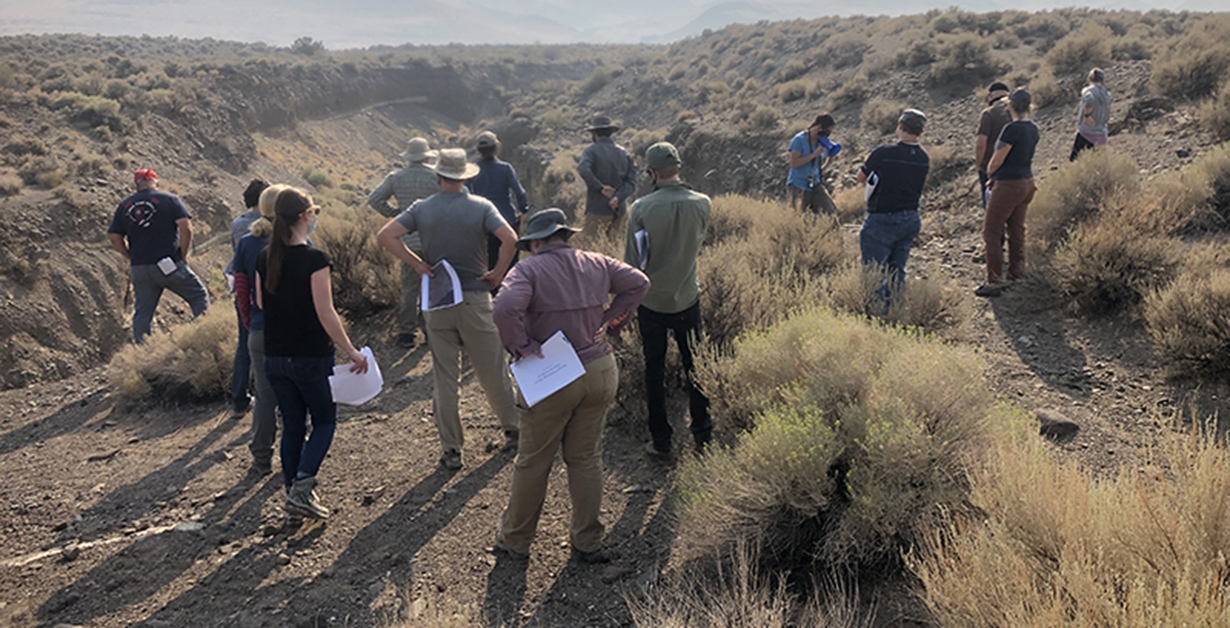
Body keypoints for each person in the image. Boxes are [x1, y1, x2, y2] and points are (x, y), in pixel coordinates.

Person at [493, 209, 649, 563]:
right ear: (566, 235)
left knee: (533, 460)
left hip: (552, 373)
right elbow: (639, 282)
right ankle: (588, 542)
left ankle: (515, 541)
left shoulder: (528, 269)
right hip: (598, 368)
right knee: (586, 457)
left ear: (535, 242)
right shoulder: (596, 262)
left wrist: (521, 346)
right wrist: (611, 320)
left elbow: (504, 308)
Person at [376, 148, 521, 470]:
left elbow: (386, 235)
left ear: (439, 176)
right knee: (492, 370)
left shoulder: (421, 209)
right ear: (465, 176)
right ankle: (513, 431)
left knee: (445, 376)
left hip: (438, 300)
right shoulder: (481, 206)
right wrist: (497, 273)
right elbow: (510, 238)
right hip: (475, 298)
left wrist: (418, 264)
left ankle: (452, 450)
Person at [256, 187, 368, 519]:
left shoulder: (265, 257)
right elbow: (326, 312)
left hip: (274, 357)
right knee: (324, 421)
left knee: (292, 425)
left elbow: (261, 304)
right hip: (309, 356)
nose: (315, 217)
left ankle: (294, 495)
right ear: (306, 216)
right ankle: (303, 488)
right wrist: (350, 350)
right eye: (313, 212)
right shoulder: (314, 259)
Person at [624, 142, 712, 460]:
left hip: (652, 302)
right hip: (688, 297)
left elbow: (632, 262)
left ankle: (661, 441)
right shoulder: (703, 203)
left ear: (652, 173)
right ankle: (703, 432)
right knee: (696, 367)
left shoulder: (642, 209)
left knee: (654, 370)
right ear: (677, 167)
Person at [107, 168, 210, 344]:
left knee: (143, 314)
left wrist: (131, 256)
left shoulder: (124, 205)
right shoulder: (170, 199)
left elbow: (114, 237)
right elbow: (186, 227)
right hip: (168, 263)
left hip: (139, 268)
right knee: (198, 296)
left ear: (136, 184)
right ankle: (205, 341)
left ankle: (144, 355)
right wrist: (183, 255)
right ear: (156, 181)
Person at [232, 183, 288, 476]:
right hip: (290, 331)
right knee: (295, 393)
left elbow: (241, 287)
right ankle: (296, 453)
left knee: (265, 396)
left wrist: (247, 320)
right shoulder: (296, 239)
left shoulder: (246, 242)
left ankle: (261, 459)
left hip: (258, 329)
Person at [368, 137, 439, 349]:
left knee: (409, 289)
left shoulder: (396, 177)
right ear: (426, 156)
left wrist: (395, 215)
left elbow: (374, 199)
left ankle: (406, 334)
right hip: (433, 239)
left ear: (408, 156)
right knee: (433, 287)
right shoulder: (436, 176)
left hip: (406, 240)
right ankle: (431, 331)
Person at [856, 109, 930, 304]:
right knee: (897, 269)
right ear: (920, 133)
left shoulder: (883, 152)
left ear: (899, 125)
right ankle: (896, 309)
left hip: (882, 218)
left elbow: (861, 177)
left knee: (874, 272)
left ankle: (879, 315)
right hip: (910, 217)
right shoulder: (924, 158)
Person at [977, 89, 1039, 298]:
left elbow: (997, 159)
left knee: (992, 232)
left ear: (1009, 105)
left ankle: (994, 280)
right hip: (1027, 182)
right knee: (1017, 230)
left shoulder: (1010, 129)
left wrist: (989, 173)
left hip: (1008, 184)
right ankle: (1017, 274)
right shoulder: (1033, 128)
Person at [227, 179, 270, 415]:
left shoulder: (237, 224)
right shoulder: (275, 226)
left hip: (244, 290)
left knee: (244, 344)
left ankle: (239, 400)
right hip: (268, 291)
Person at [469, 130, 529, 291]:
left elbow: (467, 194)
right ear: (496, 147)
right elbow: (519, 192)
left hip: (483, 222)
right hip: (507, 220)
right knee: (510, 263)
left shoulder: (473, 169)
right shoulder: (505, 168)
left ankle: (491, 299)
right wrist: (523, 210)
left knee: (488, 262)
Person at [577, 115, 637, 243]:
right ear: (610, 133)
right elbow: (631, 183)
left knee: (591, 251)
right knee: (615, 250)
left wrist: (601, 187)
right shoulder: (624, 153)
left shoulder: (590, 151)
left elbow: (583, 170)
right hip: (619, 210)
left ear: (594, 134)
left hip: (597, 210)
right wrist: (617, 198)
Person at [786, 113, 839, 215]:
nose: (828, 134)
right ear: (820, 128)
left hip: (815, 184)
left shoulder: (821, 143)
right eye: (828, 131)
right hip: (798, 185)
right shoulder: (799, 140)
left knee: (830, 212)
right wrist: (813, 155)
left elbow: (819, 169)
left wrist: (828, 163)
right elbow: (794, 163)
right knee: (799, 217)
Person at [975, 83, 1012, 208]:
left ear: (990, 96)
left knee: (991, 209)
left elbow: (981, 144)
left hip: (991, 168)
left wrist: (979, 164)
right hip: (1014, 168)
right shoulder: (1016, 114)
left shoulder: (989, 114)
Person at [1070, 68, 1111, 162]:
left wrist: (1087, 116)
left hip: (1087, 133)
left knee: (1074, 162)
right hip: (1102, 134)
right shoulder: (1107, 94)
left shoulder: (1088, 91)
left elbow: (1089, 100)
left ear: (1089, 80)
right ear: (1103, 81)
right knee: (1096, 164)